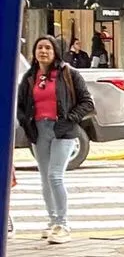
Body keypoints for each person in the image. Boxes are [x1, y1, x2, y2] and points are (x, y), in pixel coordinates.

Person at [16, 36, 95, 244]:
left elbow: (87, 102)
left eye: (48, 48)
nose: (43, 51)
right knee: (44, 179)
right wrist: (27, 124)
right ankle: (52, 221)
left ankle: (63, 224)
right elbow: (21, 106)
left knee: (54, 176)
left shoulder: (68, 74)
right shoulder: (30, 77)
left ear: (55, 51)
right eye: (39, 47)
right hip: (39, 131)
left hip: (63, 130)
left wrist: (69, 120)